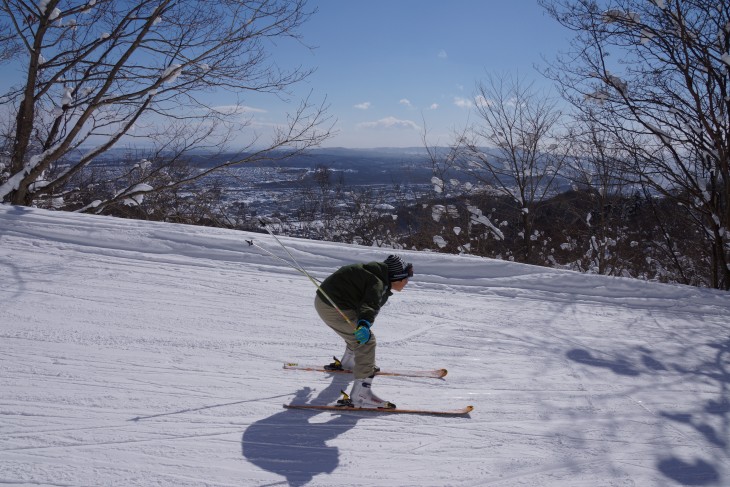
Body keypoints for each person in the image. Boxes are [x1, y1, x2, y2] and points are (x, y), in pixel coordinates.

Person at [314, 254, 413, 409]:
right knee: (367, 341)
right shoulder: (377, 282)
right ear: (396, 277)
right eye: (406, 278)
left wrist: (363, 323)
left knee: (356, 334)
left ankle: (349, 363)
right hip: (333, 308)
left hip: (326, 303)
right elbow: (369, 306)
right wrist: (364, 324)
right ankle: (361, 395)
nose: (407, 282)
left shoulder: (375, 275)